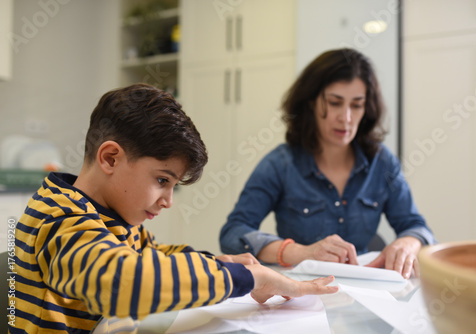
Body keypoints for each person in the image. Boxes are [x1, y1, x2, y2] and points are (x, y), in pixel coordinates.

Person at [11, 83, 338, 334]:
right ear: (110, 158)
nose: (168, 200)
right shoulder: (60, 220)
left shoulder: (106, 215)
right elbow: (124, 283)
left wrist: (217, 263)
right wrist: (245, 277)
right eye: (162, 180)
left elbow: (154, 255)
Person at [219, 48, 436, 279]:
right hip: (301, 293)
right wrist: (300, 252)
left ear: (367, 109)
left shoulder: (381, 162)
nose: (346, 118)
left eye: (356, 105)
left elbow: (417, 227)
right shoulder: (280, 164)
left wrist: (407, 244)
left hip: (365, 291)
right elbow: (233, 233)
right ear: (311, 102)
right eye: (334, 103)